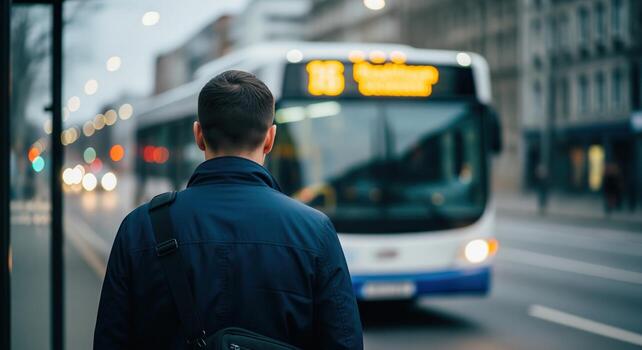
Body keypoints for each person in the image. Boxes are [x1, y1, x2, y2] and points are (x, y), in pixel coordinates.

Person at [94, 70, 363, 349]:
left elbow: (110, 340)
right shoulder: (315, 231)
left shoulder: (139, 228)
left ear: (199, 135)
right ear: (270, 138)